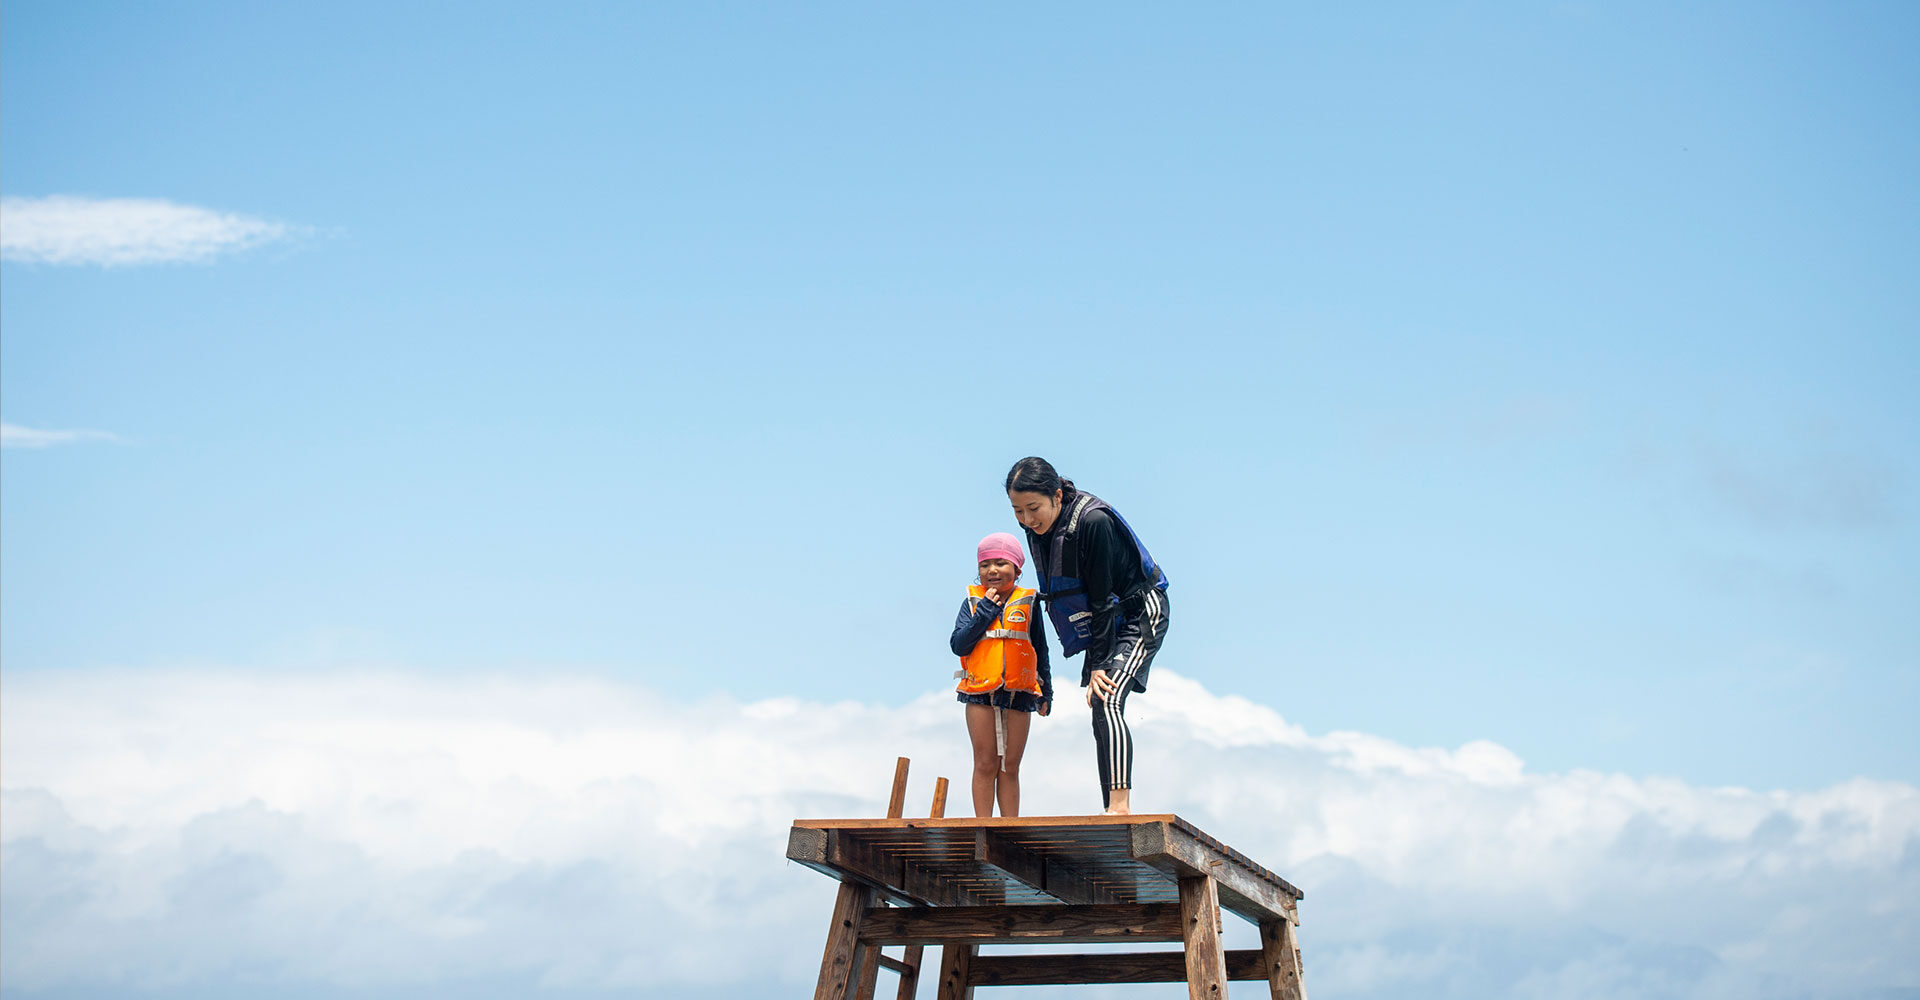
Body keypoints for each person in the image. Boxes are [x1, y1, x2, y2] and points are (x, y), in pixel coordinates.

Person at [1006, 457, 1169, 815]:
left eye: (1034, 508)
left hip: (1140, 613)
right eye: (1018, 511)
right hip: (1105, 620)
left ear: (1058, 496)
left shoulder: (1093, 522)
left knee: (1106, 697)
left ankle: (1120, 808)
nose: (1028, 520)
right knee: (1099, 702)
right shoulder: (1038, 528)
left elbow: (1100, 599)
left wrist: (1096, 665)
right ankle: (1111, 807)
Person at [949, 531, 1054, 817]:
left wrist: (1048, 693)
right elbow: (958, 643)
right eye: (985, 565)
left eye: (1000, 563)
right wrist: (985, 611)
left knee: (1010, 765)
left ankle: (1010, 827)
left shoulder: (1029, 603)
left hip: (1020, 694)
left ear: (1017, 570)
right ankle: (984, 825)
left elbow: (1040, 649)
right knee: (985, 762)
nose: (992, 570)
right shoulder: (972, 603)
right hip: (980, 693)